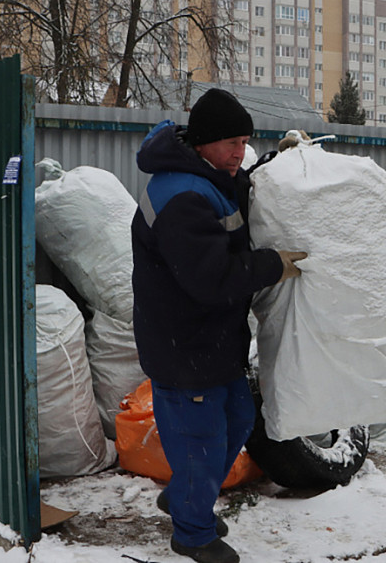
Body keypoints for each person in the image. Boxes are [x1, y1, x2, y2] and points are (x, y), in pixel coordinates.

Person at [131, 88, 307, 563]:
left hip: (213, 339)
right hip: (185, 344)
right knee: (201, 442)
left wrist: (274, 166)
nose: (238, 153)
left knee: (237, 419)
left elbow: (234, 196)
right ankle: (192, 533)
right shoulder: (181, 197)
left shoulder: (205, 173)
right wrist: (272, 265)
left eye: (245, 142)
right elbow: (210, 279)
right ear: (204, 142)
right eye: (232, 142)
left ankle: (186, 494)